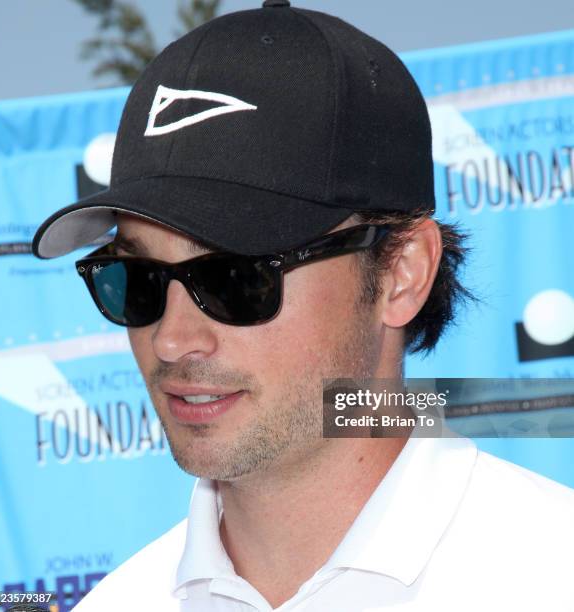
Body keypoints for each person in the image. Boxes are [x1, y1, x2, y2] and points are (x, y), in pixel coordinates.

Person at [33, 2, 574, 610]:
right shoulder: (118, 604)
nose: (172, 340)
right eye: (136, 279)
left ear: (402, 273)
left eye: (237, 276)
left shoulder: (552, 573)